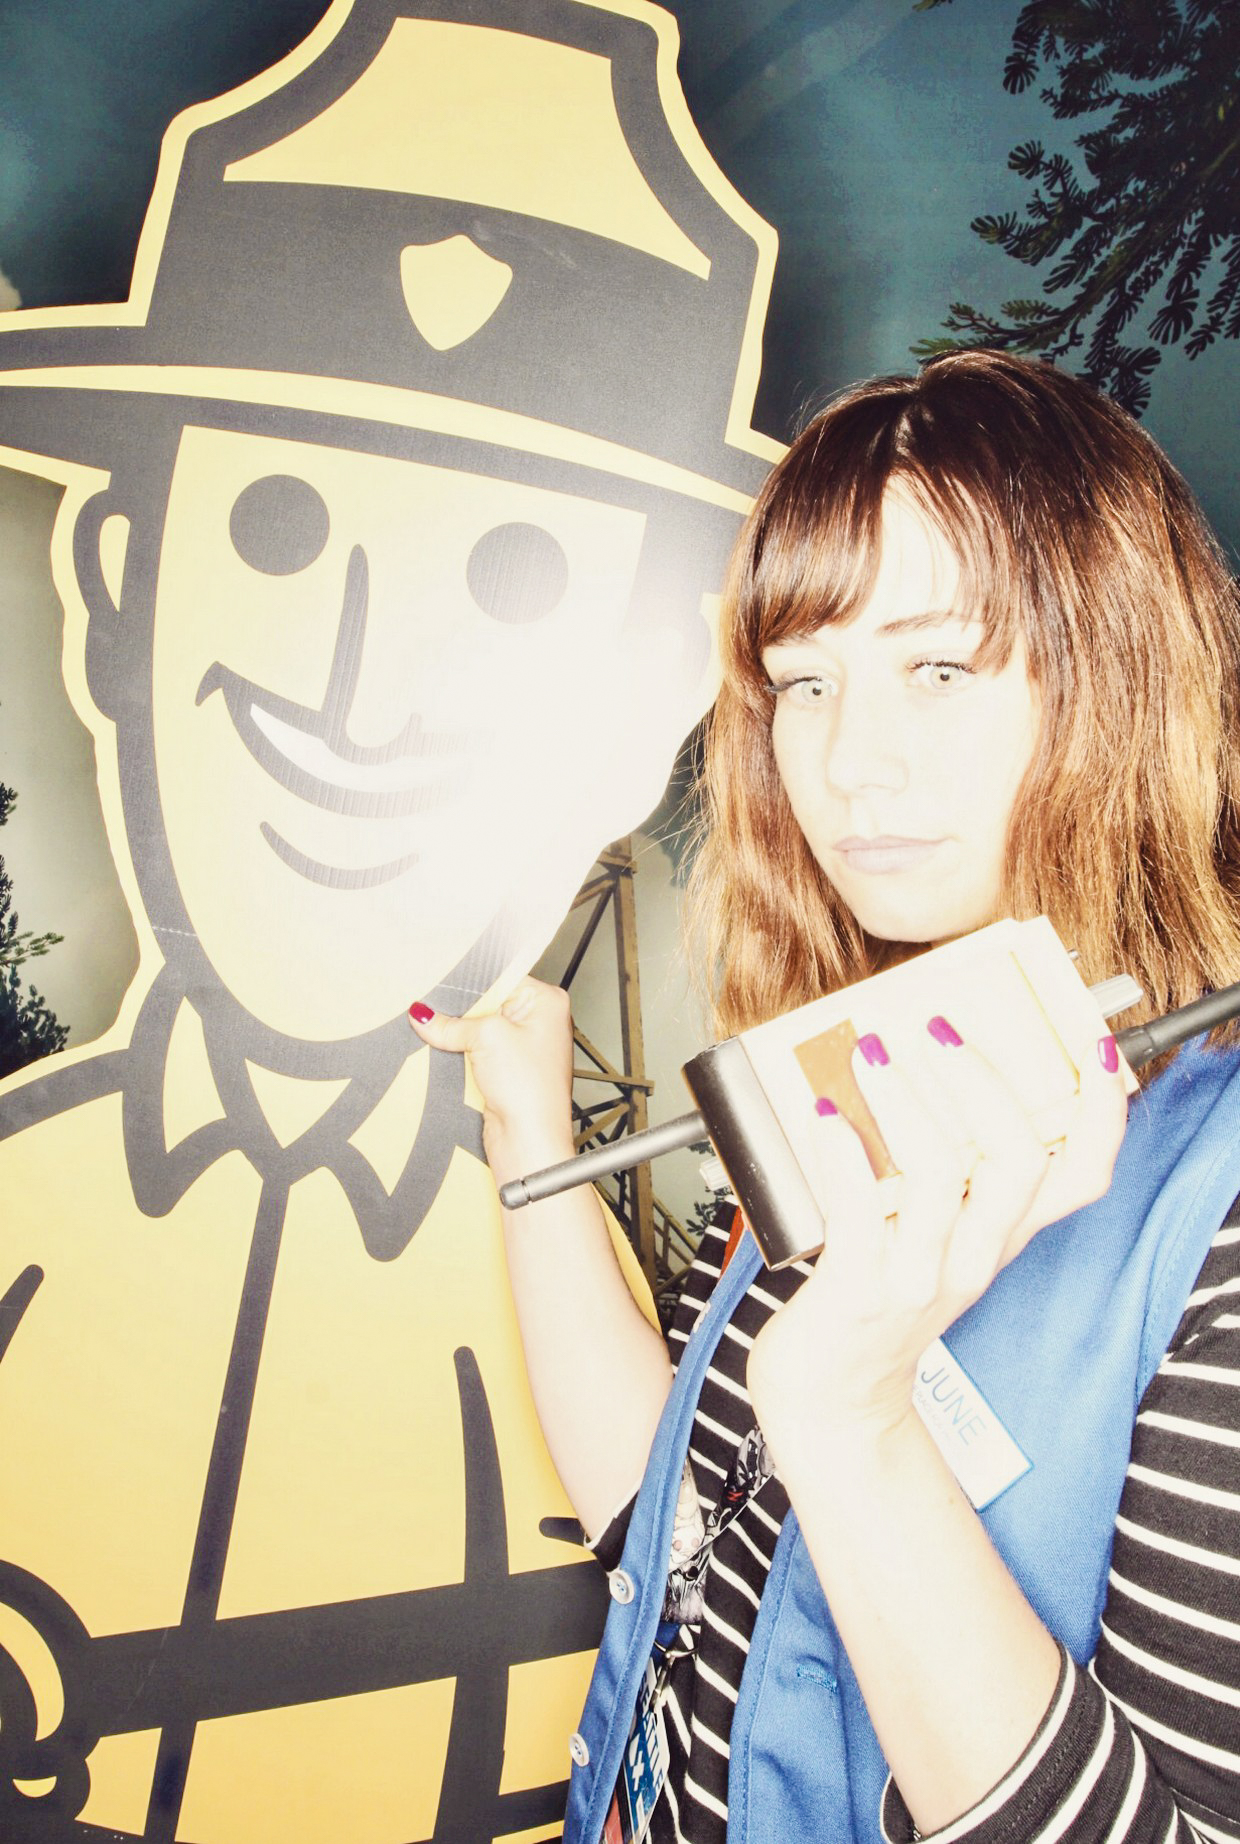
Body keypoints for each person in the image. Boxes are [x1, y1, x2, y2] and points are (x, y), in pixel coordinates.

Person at [410, 350, 1240, 1844]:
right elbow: (676, 1525)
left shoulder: (1221, 1202)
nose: (849, 762)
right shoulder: (859, 1056)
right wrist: (527, 1124)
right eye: (805, 681)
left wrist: (851, 1419)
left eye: (940, 667)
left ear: (1125, 673)